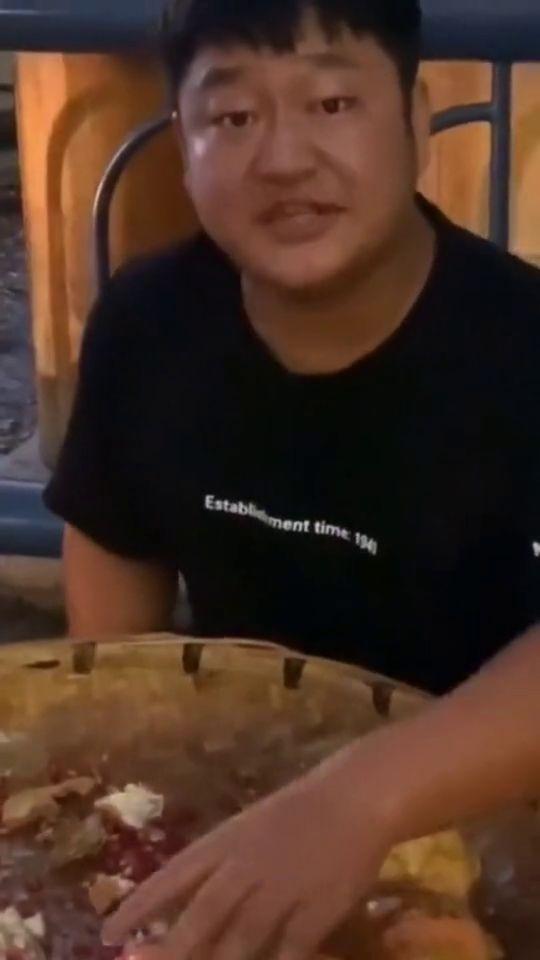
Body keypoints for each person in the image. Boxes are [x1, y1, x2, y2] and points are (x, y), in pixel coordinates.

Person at [43, 0, 540, 955]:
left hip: (484, 829)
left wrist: (356, 803)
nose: (282, 159)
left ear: (416, 121)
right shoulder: (148, 325)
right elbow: (113, 553)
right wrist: (118, 795)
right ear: (182, 146)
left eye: (332, 104)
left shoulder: (522, 347)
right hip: (238, 795)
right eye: (233, 117)